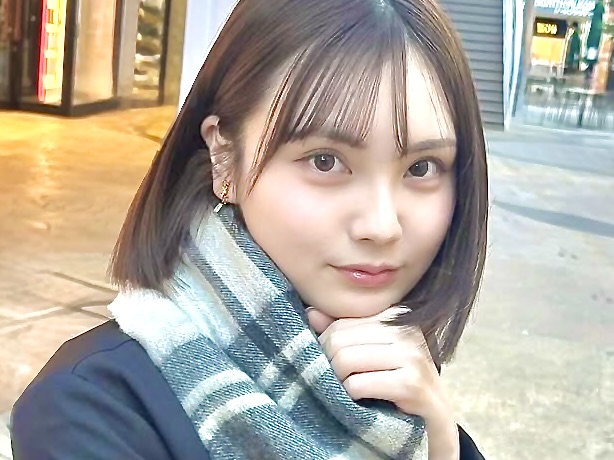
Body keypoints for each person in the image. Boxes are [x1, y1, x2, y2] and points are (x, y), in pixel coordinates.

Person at [10, 0, 488, 459]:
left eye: (422, 168)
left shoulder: (402, 387)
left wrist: (441, 441)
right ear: (224, 156)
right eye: (325, 161)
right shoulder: (89, 411)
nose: (382, 226)